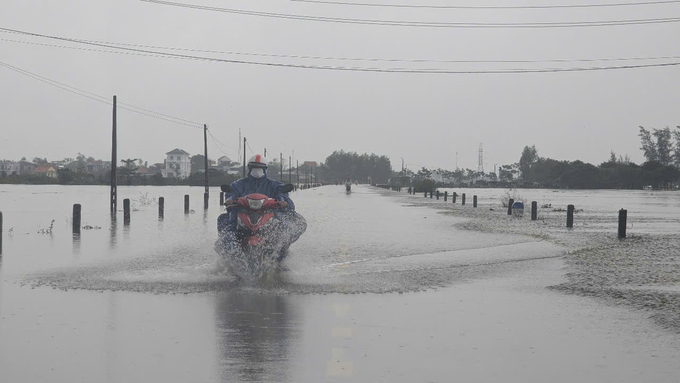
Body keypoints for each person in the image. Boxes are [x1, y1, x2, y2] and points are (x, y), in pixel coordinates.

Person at [217, 154, 306, 260]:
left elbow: (282, 195)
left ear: (265, 169)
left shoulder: (274, 185)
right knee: (226, 227)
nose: (257, 170)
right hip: (243, 217)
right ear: (249, 169)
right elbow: (231, 194)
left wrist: (282, 201)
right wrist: (230, 200)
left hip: (268, 217)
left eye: (260, 168)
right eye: (254, 167)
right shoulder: (238, 184)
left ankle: (280, 256)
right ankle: (231, 256)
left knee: (282, 231)